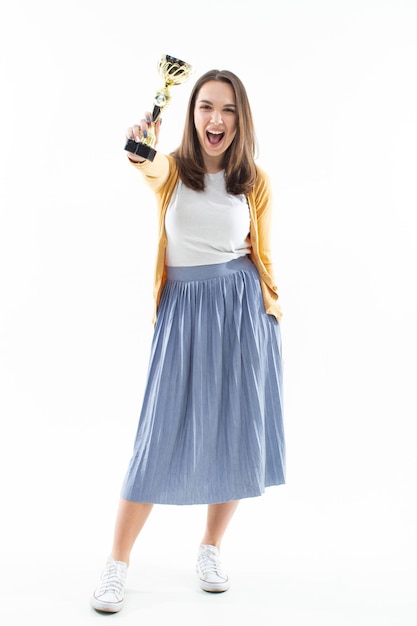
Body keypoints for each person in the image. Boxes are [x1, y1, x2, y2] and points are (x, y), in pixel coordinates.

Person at [90, 68, 285, 613]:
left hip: (242, 313)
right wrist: (140, 142)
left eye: (226, 109)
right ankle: (117, 562)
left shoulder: (256, 181)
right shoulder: (172, 170)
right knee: (157, 436)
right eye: (205, 107)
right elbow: (143, 160)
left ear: (239, 118)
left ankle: (211, 547)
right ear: (192, 114)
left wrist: (269, 312)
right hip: (183, 314)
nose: (215, 119)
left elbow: (260, 253)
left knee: (234, 431)